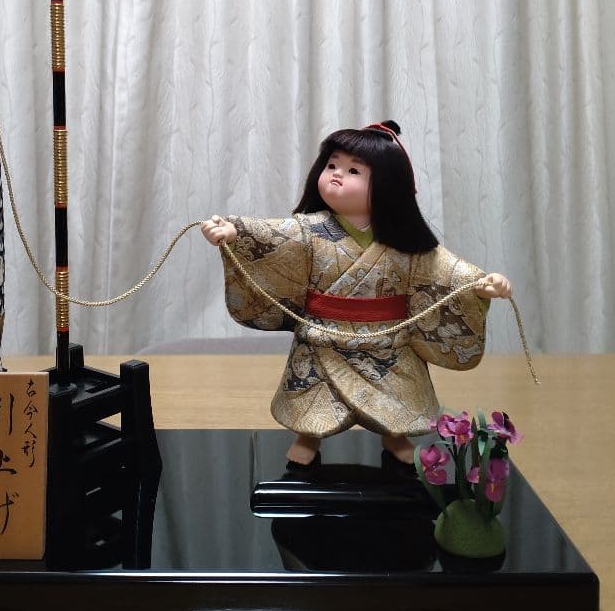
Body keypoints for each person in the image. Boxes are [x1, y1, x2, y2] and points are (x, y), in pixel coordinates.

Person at [201, 121, 511, 467]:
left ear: (388, 185)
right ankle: (308, 436)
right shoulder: (308, 230)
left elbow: (446, 270)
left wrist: (479, 284)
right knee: (314, 398)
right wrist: (235, 232)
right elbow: (270, 235)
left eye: (353, 171)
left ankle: (395, 436)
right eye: (332, 164)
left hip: (388, 342)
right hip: (323, 339)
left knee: (396, 402)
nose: (336, 174)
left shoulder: (405, 242)